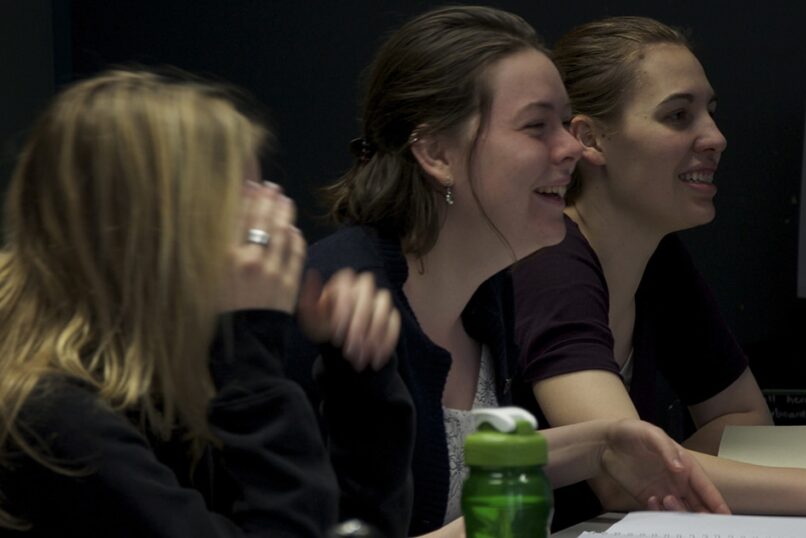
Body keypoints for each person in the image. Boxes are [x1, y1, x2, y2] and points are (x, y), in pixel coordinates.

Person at [509, 15, 806, 529]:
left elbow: (742, 422)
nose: (716, 137)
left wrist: (671, 473)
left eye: (710, 113)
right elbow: (623, 472)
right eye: (678, 115)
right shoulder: (553, 266)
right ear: (589, 139)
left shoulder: (657, 257)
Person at [285, 6, 728, 538]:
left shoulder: (488, 293)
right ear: (435, 153)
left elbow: (458, 457)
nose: (569, 148)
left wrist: (601, 443)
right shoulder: (335, 302)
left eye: (564, 124)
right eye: (536, 126)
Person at [0, 69, 393, 536]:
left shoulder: (174, 377)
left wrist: (356, 378)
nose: (273, 213)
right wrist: (248, 354)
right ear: (150, 233)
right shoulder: (54, 419)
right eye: (240, 196)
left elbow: (354, 528)